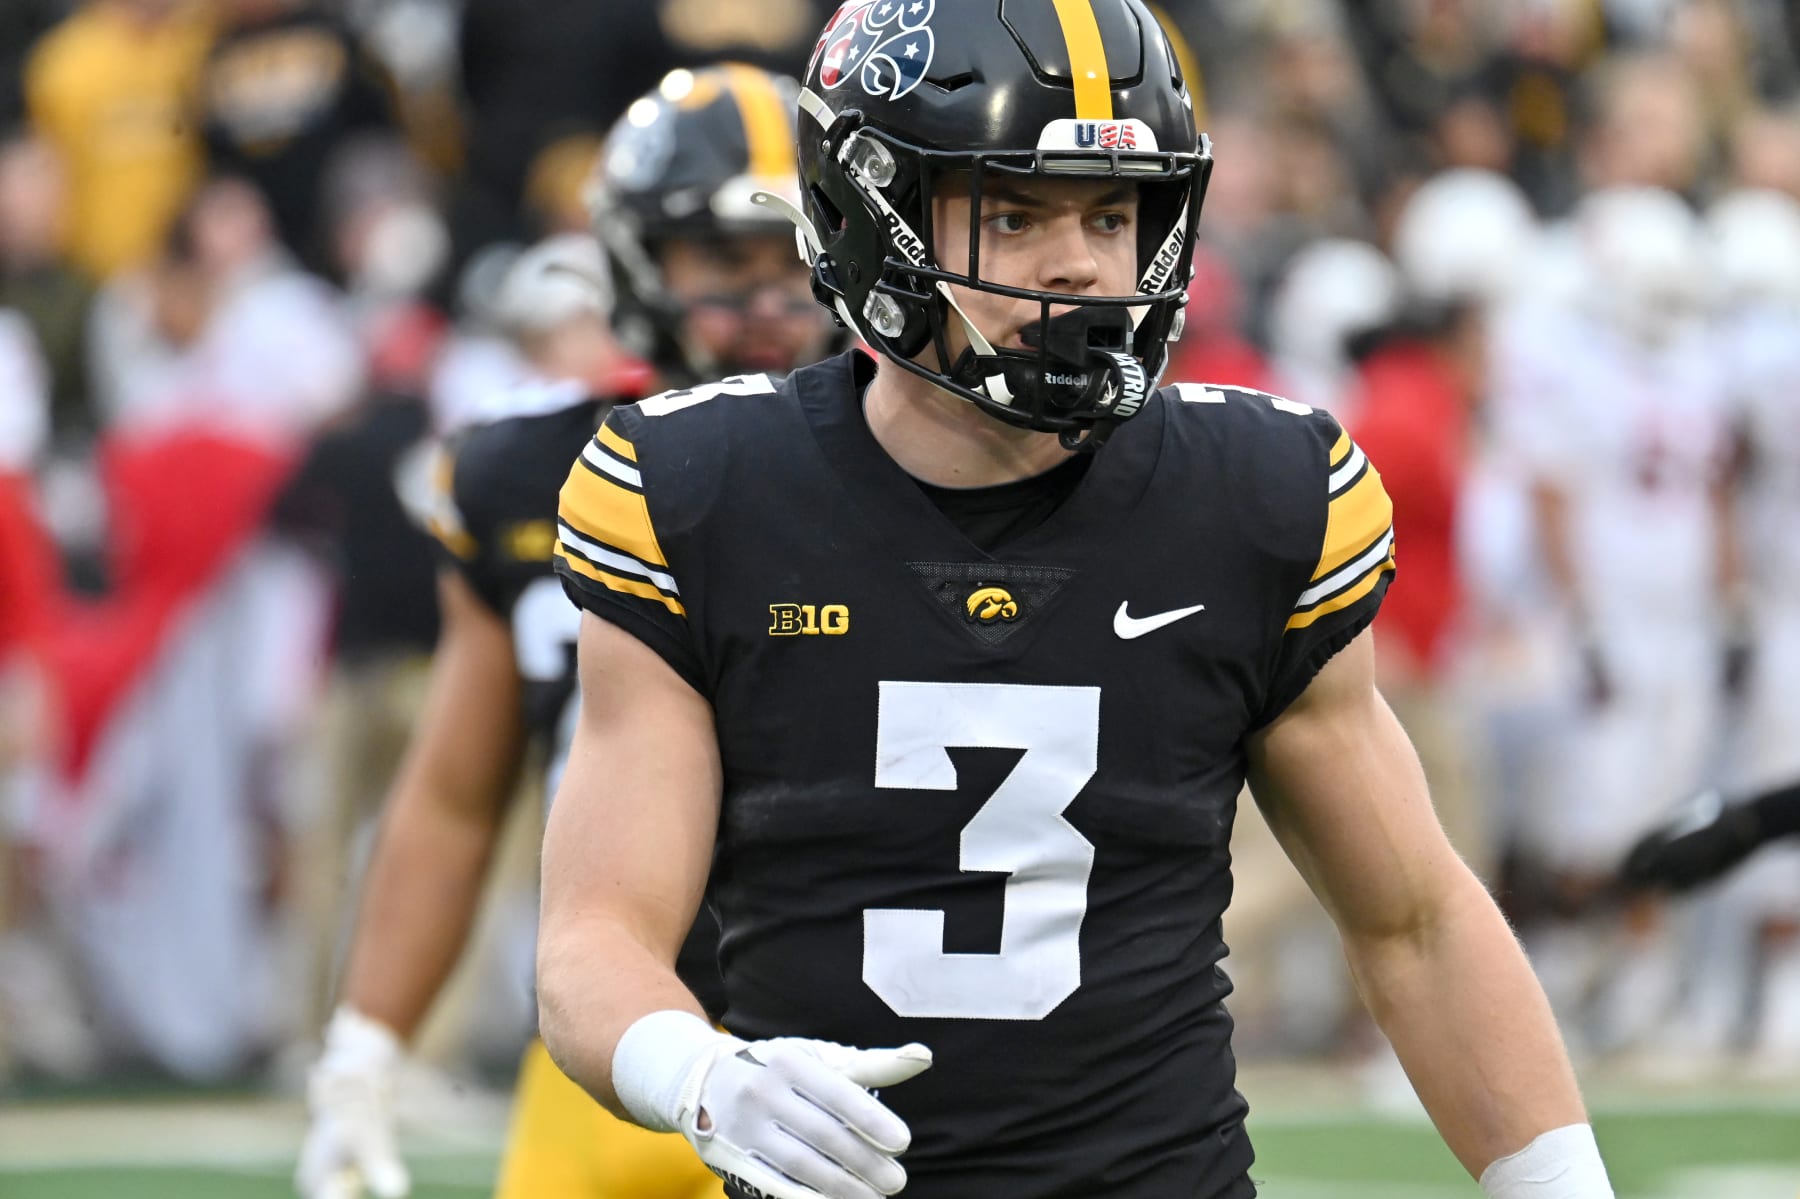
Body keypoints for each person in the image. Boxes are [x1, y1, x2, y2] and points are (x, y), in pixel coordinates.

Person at [540, 3, 1612, 1198]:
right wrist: (699, 1072)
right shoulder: (706, 495)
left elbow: (1415, 922)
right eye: (1015, 212)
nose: (1082, 263)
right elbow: (595, 938)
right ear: (865, 213)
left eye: (1112, 212)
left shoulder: (1255, 497)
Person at [296, 63, 837, 1199]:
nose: (768, 302)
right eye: (726, 264)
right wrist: (366, 1042)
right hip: (618, 1051)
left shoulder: (914, 465)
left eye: (797, 261)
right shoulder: (527, 475)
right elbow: (453, 792)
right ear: (640, 258)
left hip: (847, 1037)